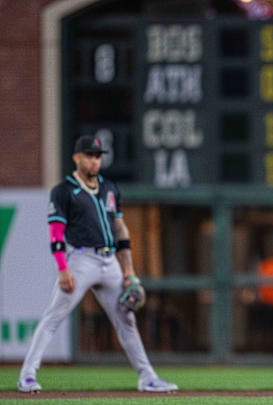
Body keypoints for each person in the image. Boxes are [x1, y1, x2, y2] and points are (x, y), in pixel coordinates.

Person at [17, 136, 178, 393]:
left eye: (98, 155)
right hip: (81, 259)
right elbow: (56, 233)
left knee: (126, 318)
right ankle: (27, 375)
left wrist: (129, 272)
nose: (94, 160)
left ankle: (147, 377)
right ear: (76, 158)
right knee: (54, 316)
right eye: (89, 155)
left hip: (110, 260)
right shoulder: (64, 191)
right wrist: (63, 268)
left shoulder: (109, 188)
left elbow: (120, 229)